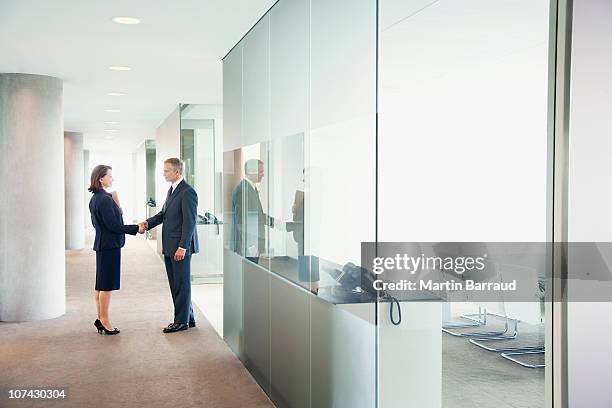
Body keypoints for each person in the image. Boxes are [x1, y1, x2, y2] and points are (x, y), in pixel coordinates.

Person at [141, 158, 199, 333]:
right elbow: (164, 215)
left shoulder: (187, 192)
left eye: (166, 171)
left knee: (181, 284)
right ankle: (188, 318)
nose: (163, 173)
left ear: (177, 172)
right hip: (171, 246)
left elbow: (190, 222)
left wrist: (183, 247)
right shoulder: (173, 190)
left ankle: (180, 322)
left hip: (179, 247)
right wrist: (147, 223)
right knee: (176, 283)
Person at [88, 165, 144, 335]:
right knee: (106, 285)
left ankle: (100, 318)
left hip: (102, 244)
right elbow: (114, 225)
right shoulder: (105, 199)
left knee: (101, 284)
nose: (112, 179)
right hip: (109, 246)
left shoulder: (96, 198)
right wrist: (136, 228)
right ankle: (104, 320)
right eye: (110, 176)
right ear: (101, 178)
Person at [228, 159, 274, 263]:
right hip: (247, 247)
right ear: (251, 172)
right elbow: (241, 222)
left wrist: (274, 222)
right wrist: (252, 247)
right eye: (261, 171)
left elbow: (256, 215)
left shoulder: (251, 188)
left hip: (251, 245)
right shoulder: (242, 191)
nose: (263, 175)